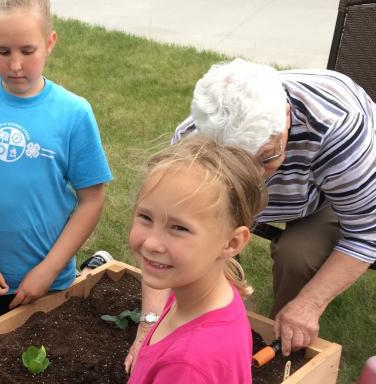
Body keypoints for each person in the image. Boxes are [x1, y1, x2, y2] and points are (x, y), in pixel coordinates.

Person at [139, 58, 376, 358]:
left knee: (297, 255)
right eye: (235, 165)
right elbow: (167, 231)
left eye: (265, 158)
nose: (255, 181)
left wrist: (308, 305)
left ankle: (278, 342)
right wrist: (150, 325)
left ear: (287, 117)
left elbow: (365, 234)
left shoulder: (338, 129)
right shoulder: (194, 137)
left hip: (329, 197)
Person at [0, 0, 113, 330]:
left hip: (49, 280)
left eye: (28, 51)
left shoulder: (74, 113)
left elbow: (92, 199)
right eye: (3, 51)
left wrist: (49, 269)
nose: (15, 65)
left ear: (50, 43)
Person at [101, 136, 268, 384]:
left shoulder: (191, 364)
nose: (151, 242)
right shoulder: (197, 293)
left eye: (179, 228)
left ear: (231, 242)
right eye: (146, 217)